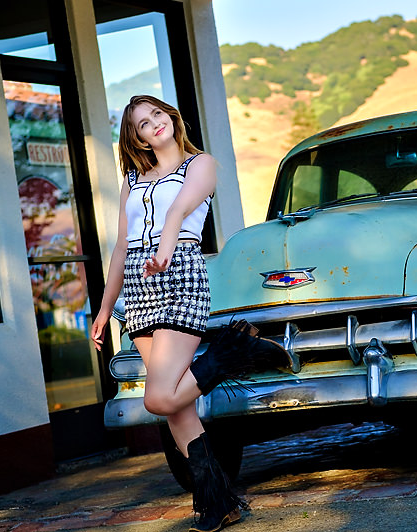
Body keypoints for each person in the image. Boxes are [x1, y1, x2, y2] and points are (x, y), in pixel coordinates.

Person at [91, 95, 289, 532]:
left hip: (179, 273)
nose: (154, 124)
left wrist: (163, 249)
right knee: (178, 410)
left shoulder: (200, 164)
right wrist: (106, 308)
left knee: (158, 398)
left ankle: (236, 351)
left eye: (157, 114)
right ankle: (219, 502)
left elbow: (181, 209)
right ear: (137, 138)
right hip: (140, 288)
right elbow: (122, 248)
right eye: (143, 123)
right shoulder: (134, 179)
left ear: (171, 117)